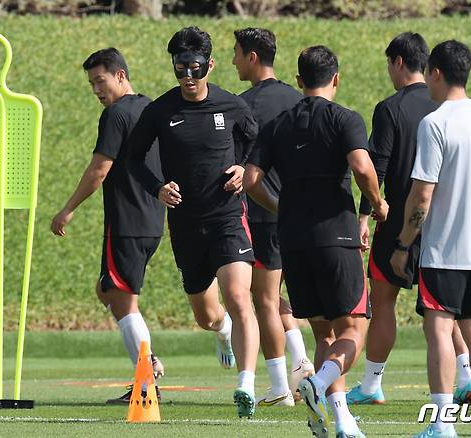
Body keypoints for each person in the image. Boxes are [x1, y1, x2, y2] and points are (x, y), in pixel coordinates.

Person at [245, 45, 388, 438]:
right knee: (354, 329)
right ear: (336, 79)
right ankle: (318, 380)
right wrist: (377, 203)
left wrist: (280, 206)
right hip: (335, 236)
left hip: (291, 240)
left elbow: (251, 179)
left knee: (323, 333)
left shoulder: (277, 124)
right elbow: (362, 166)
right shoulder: (345, 118)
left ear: (298, 81)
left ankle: (342, 422)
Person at [128, 26, 261, 419]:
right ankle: (223, 334)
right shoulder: (161, 111)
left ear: (210, 66)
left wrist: (244, 167)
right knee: (208, 316)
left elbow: (258, 142)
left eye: (195, 68)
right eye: (180, 69)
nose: (188, 77)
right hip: (186, 224)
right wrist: (157, 189)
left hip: (227, 217)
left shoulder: (231, 104)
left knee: (239, 298)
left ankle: (246, 385)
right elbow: (134, 159)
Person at [347, 32, 471, 406]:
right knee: (444, 307)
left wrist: (364, 214)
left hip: (400, 219)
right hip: (446, 224)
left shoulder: (390, 108)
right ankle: (467, 378)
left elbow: (378, 167)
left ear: (399, 62)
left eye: (389, 64)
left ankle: (372, 385)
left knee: (384, 300)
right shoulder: (452, 108)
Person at [390, 40, 471, 438]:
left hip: (444, 251)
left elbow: (422, 193)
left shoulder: (436, 123)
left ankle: (442, 423)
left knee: (439, 330)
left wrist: (404, 244)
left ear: (435, 73)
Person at [50, 48, 165, 404]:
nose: (96, 89)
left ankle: (147, 381)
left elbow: (100, 170)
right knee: (107, 291)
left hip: (128, 220)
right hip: (151, 220)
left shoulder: (117, 114)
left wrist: (67, 209)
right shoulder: (152, 108)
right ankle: (148, 366)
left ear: (120, 75)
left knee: (122, 300)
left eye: (100, 80)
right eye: (91, 84)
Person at [232, 27, 314, 407]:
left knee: (263, 300)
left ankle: (280, 386)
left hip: (263, 213)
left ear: (251, 57)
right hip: (297, 211)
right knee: (275, 296)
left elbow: (239, 168)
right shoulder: (298, 100)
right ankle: (300, 361)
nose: (233, 61)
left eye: (236, 53)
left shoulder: (242, 105)